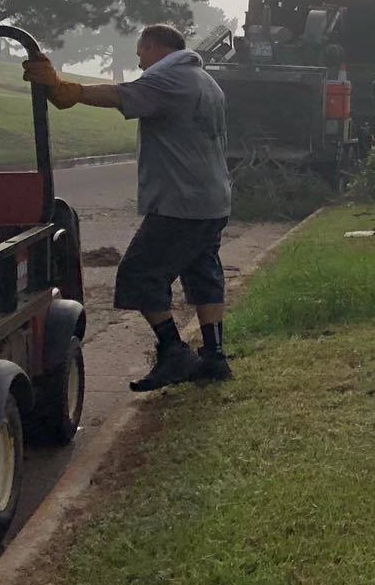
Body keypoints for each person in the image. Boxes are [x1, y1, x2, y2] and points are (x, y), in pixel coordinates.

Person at [22, 25, 234, 391]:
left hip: (180, 203)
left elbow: (121, 95)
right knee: (203, 272)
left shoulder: (172, 79)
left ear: (154, 47)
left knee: (139, 273)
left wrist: (67, 89)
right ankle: (214, 357)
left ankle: (174, 351)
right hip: (210, 200)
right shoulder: (204, 81)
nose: (139, 61)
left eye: (140, 53)